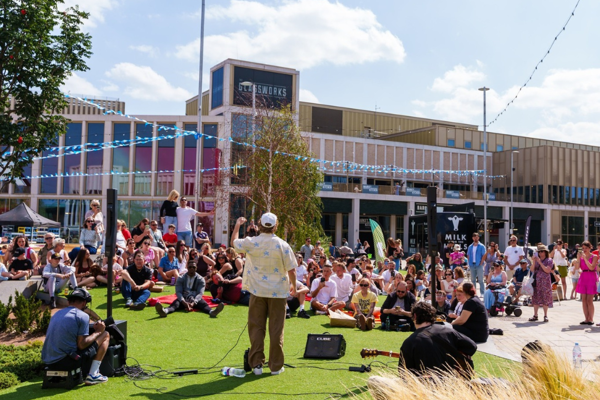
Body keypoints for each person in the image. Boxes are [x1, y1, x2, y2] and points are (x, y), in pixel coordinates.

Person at [231, 213, 297, 376]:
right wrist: (294, 286)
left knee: (256, 328)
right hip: (278, 293)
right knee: (276, 330)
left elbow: (234, 243)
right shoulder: (283, 244)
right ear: (275, 226)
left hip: (257, 292)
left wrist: (238, 225)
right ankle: (275, 366)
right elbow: (292, 269)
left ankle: (257, 365)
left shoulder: (252, 242)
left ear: (260, 225)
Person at [41, 288, 110, 385]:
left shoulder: (56, 314)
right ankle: (93, 375)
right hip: (66, 363)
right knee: (105, 335)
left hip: (48, 363)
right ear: (84, 303)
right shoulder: (82, 315)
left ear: (68, 301)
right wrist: (98, 332)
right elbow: (81, 345)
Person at [397, 302, 477, 376]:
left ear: (414, 316)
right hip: (452, 383)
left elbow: (404, 373)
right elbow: (472, 346)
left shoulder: (410, 342)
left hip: (423, 388)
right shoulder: (448, 331)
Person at [155, 261, 224, 318]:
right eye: (190, 267)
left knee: (203, 304)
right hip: (183, 298)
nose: (191, 269)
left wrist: (194, 302)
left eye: (193, 267)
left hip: (195, 298)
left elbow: (200, 293)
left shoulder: (201, 279)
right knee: (175, 305)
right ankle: (164, 311)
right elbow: (178, 292)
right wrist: (183, 302)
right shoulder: (180, 278)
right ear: (187, 268)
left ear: (196, 268)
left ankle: (212, 312)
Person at [529, 245, 554, 323]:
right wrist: (533, 261)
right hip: (537, 281)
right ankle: (535, 315)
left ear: (545, 252)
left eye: (542, 251)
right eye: (539, 251)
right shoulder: (536, 260)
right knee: (535, 297)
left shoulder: (549, 260)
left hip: (545, 281)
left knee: (545, 298)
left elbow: (547, 270)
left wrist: (539, 262)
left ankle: (545, 315)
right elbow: (532, 270)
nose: (540, 253)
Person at [575, 241, 598, 325]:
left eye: (586, 248)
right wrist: (578, 258)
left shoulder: (594, 256)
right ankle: (586, 319)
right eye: (583, 248)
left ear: (590, 248)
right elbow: (577, 268)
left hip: (591, 276)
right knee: (584, 299)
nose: (584, 250)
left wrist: (585, 259)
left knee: (589, 300)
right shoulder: (581, 257)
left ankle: (591, 318)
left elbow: (592, 267)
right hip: (583, 277)